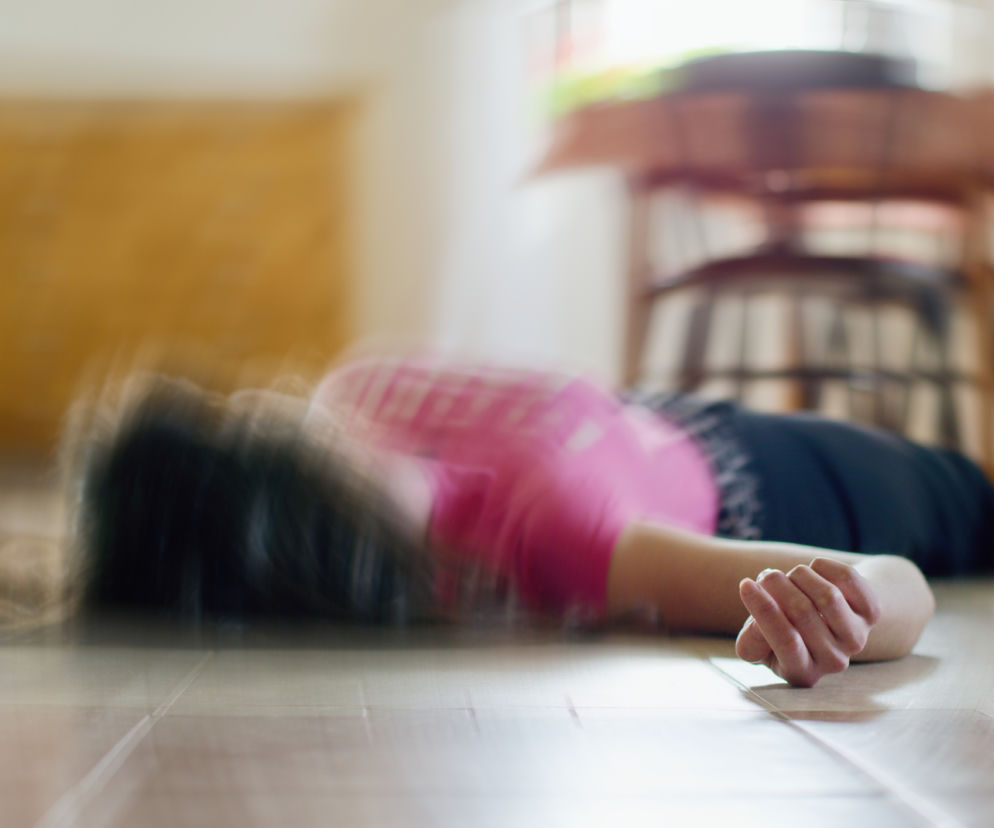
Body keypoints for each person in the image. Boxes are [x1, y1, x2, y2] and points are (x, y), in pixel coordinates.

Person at [62, 352, 994, 688]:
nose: (281, 409)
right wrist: (840, 607)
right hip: (793, 487)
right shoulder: (562, 533)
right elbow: (896, 583)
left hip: (676, 421)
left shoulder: (359, 389)